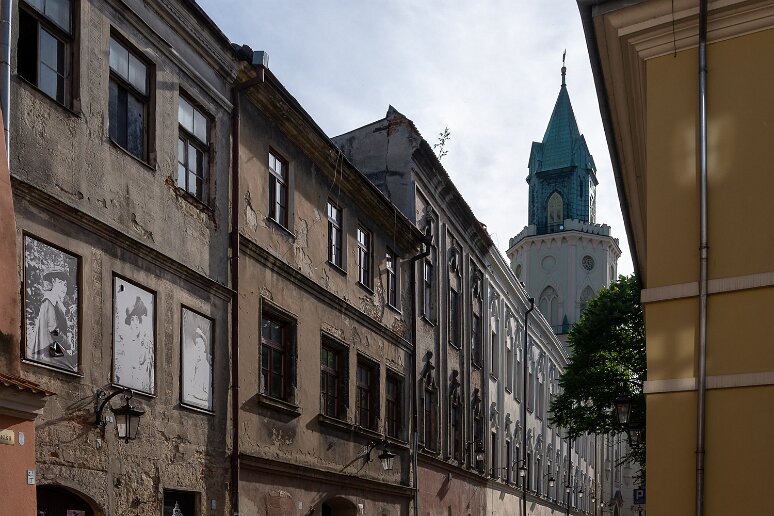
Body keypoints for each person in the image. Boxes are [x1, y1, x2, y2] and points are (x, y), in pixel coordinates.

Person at [32, 266, 75, 370]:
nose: (64, 288)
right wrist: (68, 344)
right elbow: (54, 331)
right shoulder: (49, 301)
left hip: (50, 348)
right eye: (61, 284)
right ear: (54, 282)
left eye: (65, 285)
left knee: (73, 364)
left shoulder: (54, 302)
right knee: (70, 370)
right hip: (49, 349)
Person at [115, 295, 153, 392]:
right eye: (132, 320)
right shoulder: (125, 341)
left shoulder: (144, 342)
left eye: (137, 320)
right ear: (129, 323)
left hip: (140, 384)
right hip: (128, 380)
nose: (135, 323)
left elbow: (144, 363)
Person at [186, 327, 211, 407]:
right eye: (196, 344)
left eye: (200, 344)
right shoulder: (196, 362)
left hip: (201, 395)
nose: (198, 346)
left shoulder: (205, 364)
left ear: (204, 346)